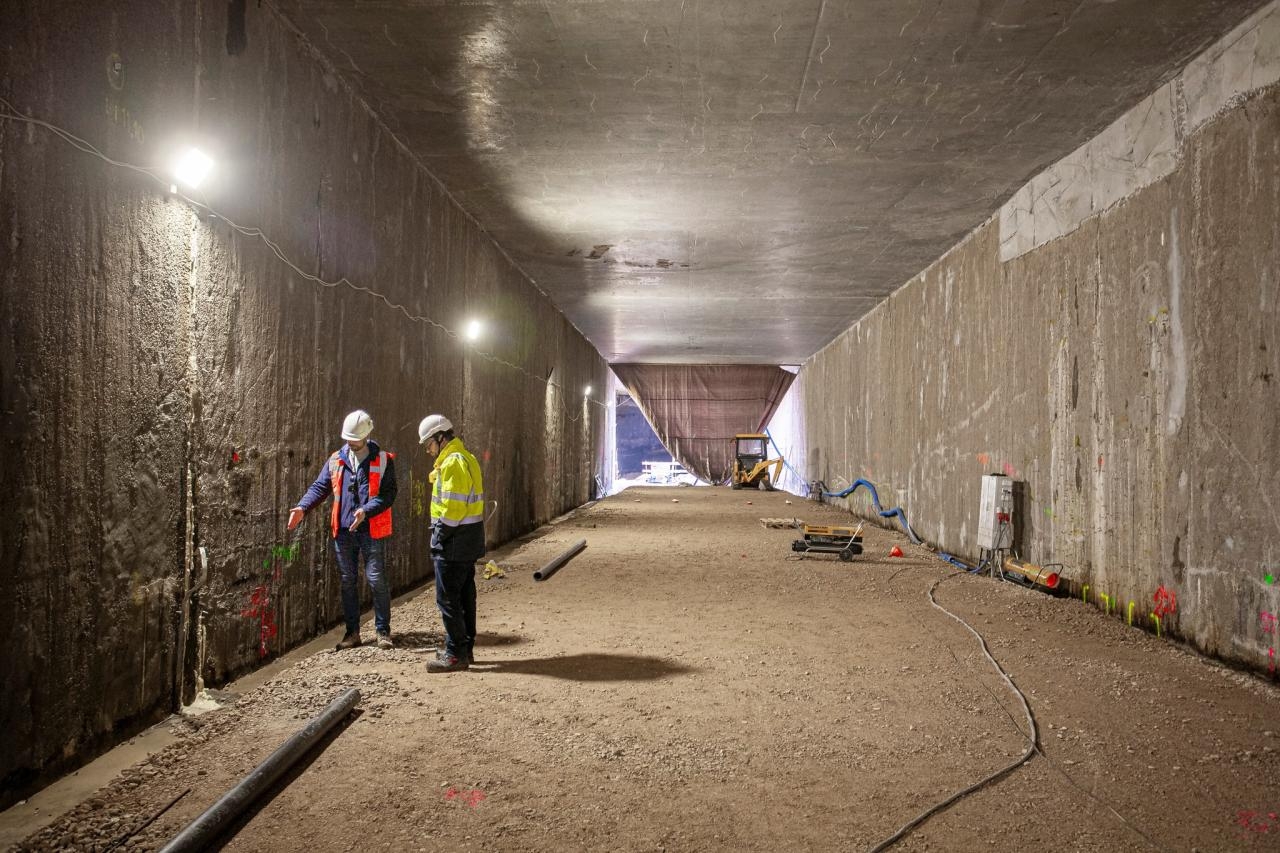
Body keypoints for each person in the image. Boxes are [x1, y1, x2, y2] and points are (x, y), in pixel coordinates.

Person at [288, 409, 398, 650]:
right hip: (344, 531)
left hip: (370, 529)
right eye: (348, 438)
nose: (350, 442)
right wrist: (302, 508)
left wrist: (366, 510)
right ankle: (352, 633)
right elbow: (320, 487)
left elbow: (389, 495)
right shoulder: (337, 459)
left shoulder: (383, 460)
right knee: (348, 581)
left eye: (355, 439)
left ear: (367, 435)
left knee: (375, 578)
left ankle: (382, 632)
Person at [418, 414, 485, 672]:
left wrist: (437, 537)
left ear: (441, 438)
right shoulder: (466, 458)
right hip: (468, 539)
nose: (428, 449)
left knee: (448, 599)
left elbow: (452, 511)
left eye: (429, 444)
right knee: (465, 594)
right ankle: (464, 647)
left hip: (454, 541)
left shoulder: (453, 463)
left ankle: (456, 654)